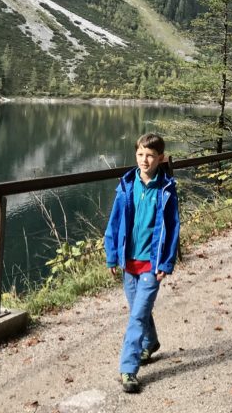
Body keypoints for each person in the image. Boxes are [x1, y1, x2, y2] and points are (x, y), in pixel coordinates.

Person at [103, 132, 180, 393]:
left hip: (150, 264)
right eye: (140, 155)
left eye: (150, 156)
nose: (144, 161)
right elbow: (114, 223)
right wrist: (112, 254)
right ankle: (152, 342)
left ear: (160, 158)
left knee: (136, 316)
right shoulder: (126, 186)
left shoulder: (166, 190)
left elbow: (172, 228)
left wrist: (165, 263)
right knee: (139, 309)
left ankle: (128, 369)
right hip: (128, 263)